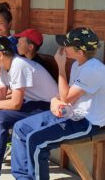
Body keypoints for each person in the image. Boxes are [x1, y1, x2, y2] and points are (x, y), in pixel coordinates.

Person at [11, 27, 105, 180]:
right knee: (21, 128)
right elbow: (64, 95)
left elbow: (67, 97)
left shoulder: (94, 69)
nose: (62, 47)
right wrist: (55, 101)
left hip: (87, 122)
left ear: (80, 52)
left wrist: (61, 67)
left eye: (66, 45)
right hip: (72, 114)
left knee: (36, 141)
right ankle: (22, 177)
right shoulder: (77, 64)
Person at [0, 36, 58, 180]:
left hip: (49, 107)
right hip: (34, 103)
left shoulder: (18, 65)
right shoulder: (5, 66)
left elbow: (15, 104)